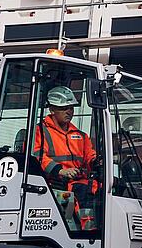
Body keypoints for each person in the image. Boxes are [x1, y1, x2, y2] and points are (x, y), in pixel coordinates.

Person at [34, 86, 100, 230]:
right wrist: (60, 171)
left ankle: (91, 232)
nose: (69, 111)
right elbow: (36, 156)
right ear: (52, 110)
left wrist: (96, 161)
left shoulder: (81, 135)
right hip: (54, 185)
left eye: (71, 107)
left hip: (79, 184)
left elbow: (90, 156)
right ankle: (84, 234)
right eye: (64, 108)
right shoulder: (40, 132)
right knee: (70, 216)